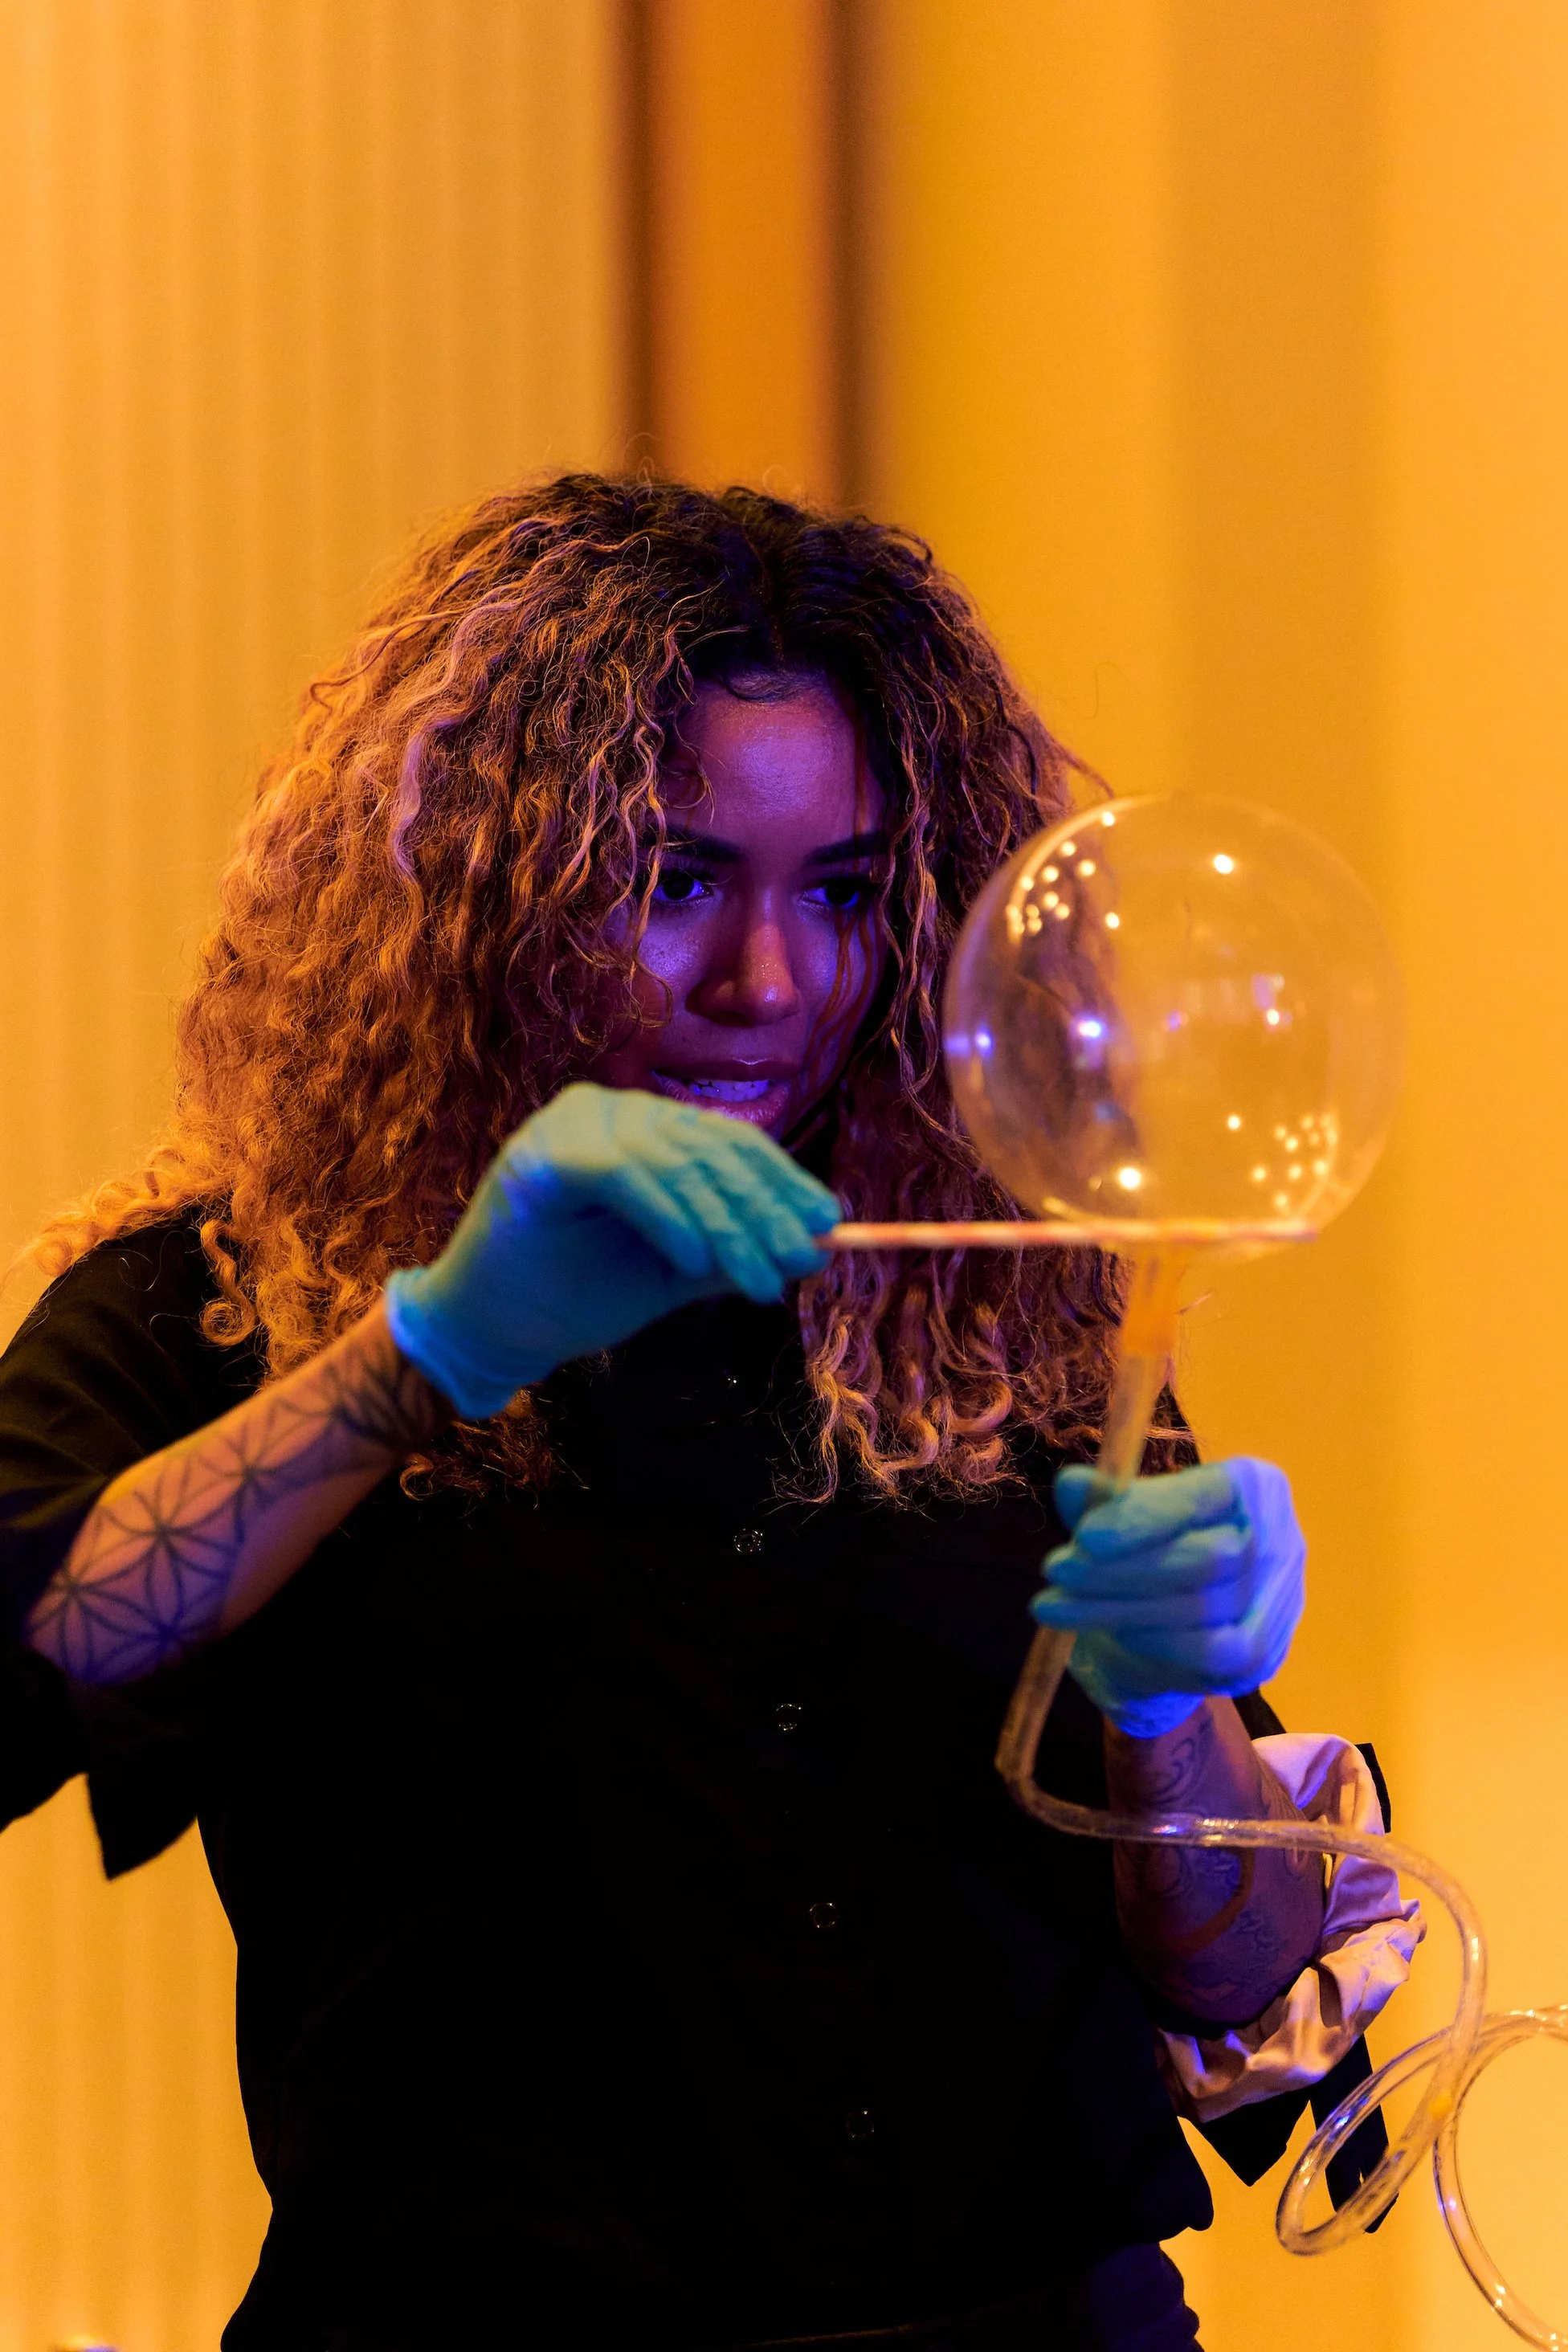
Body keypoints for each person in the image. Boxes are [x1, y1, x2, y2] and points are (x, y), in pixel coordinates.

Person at [0, 476, 1419, 2351]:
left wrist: (1171, 1715)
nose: (765, 985)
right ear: (471, 894)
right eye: (672, 884)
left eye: (838, 894)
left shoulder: (1011, 1302)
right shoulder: (228, 1297)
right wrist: (420, 1358)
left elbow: (1235, 1976)